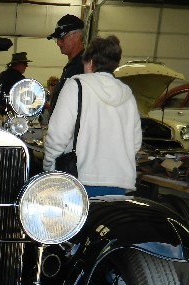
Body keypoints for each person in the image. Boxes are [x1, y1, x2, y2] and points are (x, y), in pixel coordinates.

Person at [43, 35, 142, 197]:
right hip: (119, 184)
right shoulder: (127, 95)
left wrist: (49, 168)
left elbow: (57, 136)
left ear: (89, 62)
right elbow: (135, 143)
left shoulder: (76, 86)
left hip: (79, 181)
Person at [47, 14, 85, 115]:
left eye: (62, 38)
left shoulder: (83, 67)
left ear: (76, 36)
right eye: (57, 39)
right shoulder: (72, 66)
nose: (58, 43)